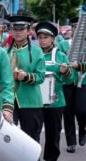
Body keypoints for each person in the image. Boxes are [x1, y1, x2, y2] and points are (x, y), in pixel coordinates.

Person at [36, 22, 74, 161]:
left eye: (46, 37)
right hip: (35, 102)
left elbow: (70, 81)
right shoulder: (33, 54)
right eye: (40, 37)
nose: (42, 40)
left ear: (53, 38)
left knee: (53, 135)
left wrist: (66, 72)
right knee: (33, 134)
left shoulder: (60, 56)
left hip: (55, 103)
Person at [7, 15, 46, 143]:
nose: (17, 32)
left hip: (30, 101)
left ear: (28, 31)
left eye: (21, 29)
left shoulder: (37, 51)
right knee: (8, 139)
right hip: (8, 101)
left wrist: (26, 76)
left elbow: (40, 77)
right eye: (15, 29)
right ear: (11, 31)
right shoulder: (5, 52)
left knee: (31, 140)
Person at [58, 17, 85, 153]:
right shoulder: (64, 44)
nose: (77, 30)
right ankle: (71, 142)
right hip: (67, 81)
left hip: (82, 82)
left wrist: (79, 65)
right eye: (75, 27)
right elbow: (59, 59)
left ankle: (82, 130)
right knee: (67, 112)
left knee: (81, 110)